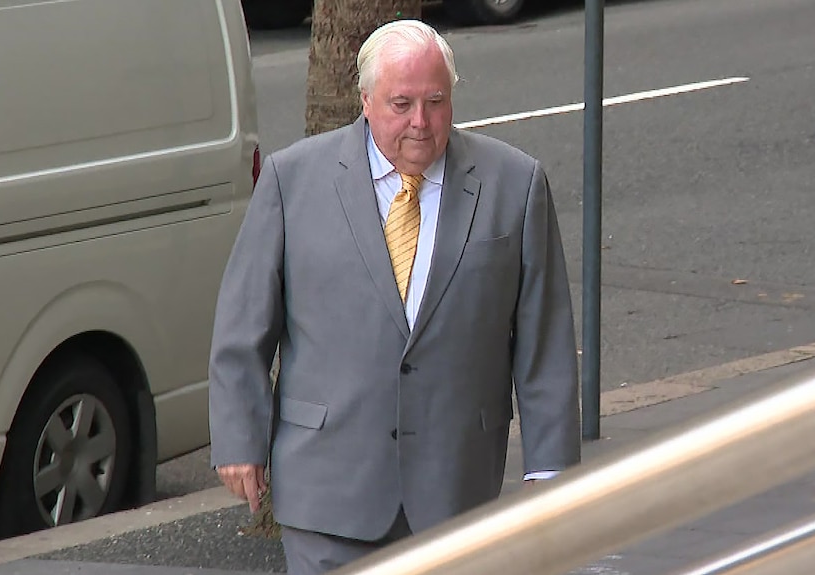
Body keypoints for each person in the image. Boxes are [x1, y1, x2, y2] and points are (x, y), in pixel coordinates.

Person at [208, 18, 580, 575]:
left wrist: (550, 469)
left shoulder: (515, 182)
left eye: (436, 101)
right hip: (329, 487)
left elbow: (543, 336)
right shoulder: (293, 180)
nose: (421, 123)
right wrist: (240, 437)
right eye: (401, 103)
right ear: (365, 99)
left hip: (456, 488)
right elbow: (243, 326)